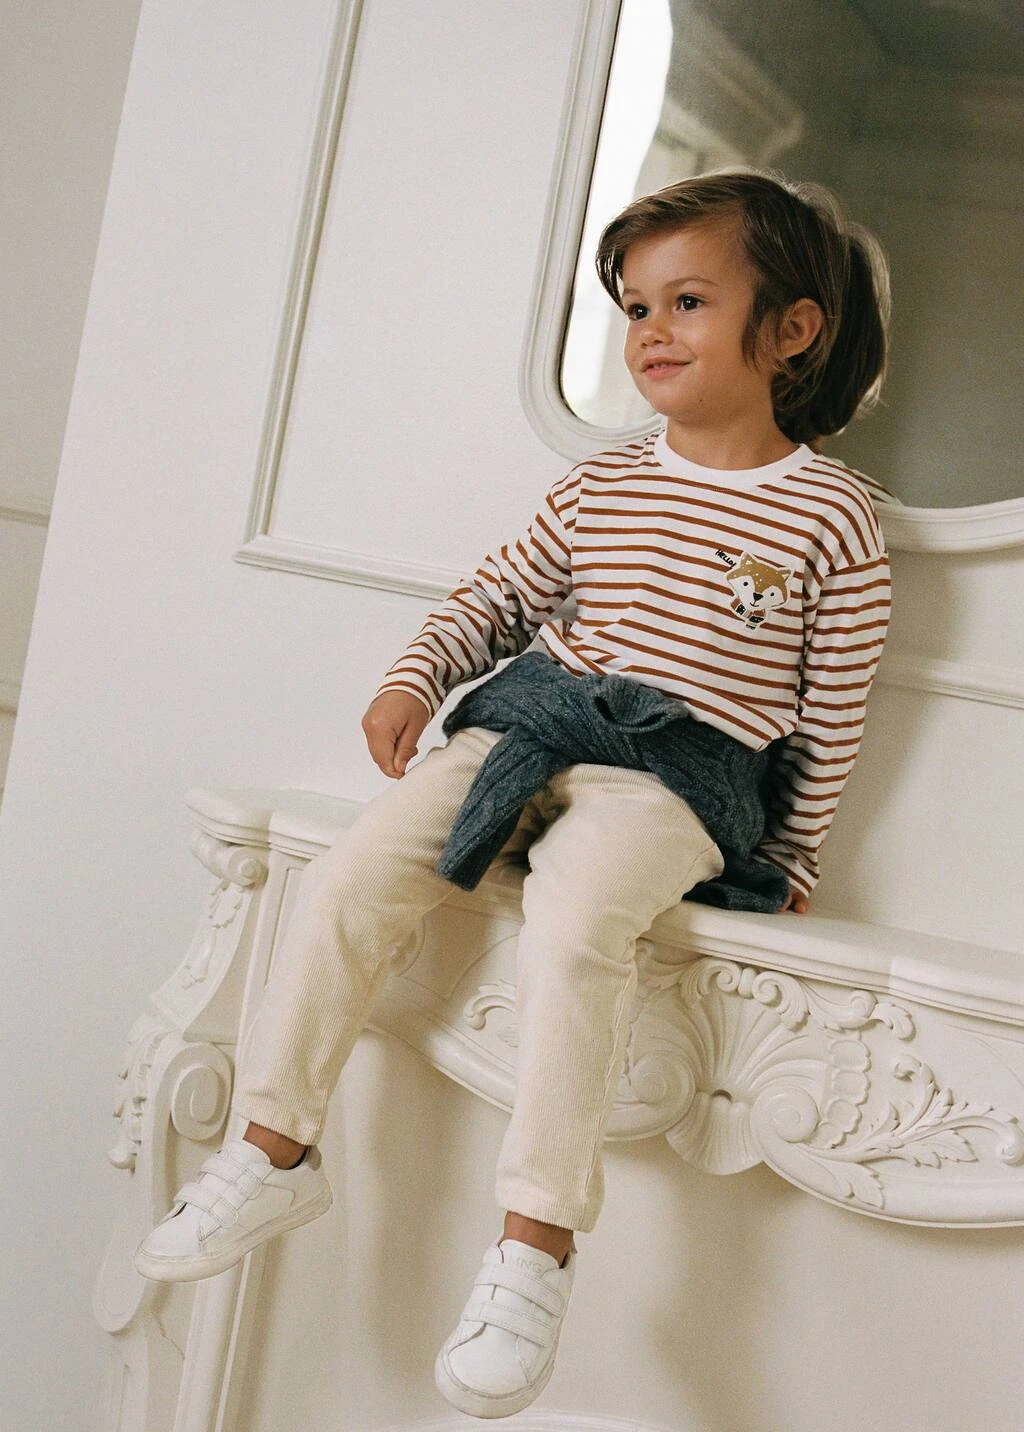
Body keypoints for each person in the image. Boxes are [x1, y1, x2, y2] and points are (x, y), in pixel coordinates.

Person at [133, 168, 895, 1418]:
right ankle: (272, 1148)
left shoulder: (831, 518)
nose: (650, 331)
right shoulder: (602, 482)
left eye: (688, 301)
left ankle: (533, 1242)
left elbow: (832, 713)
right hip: (528, 723)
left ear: (792, 328)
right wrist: (413, 679)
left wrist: (796, 856)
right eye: (634, 307)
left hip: (679, 774)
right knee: (350, 877)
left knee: (577, 921)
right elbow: (496, 596)